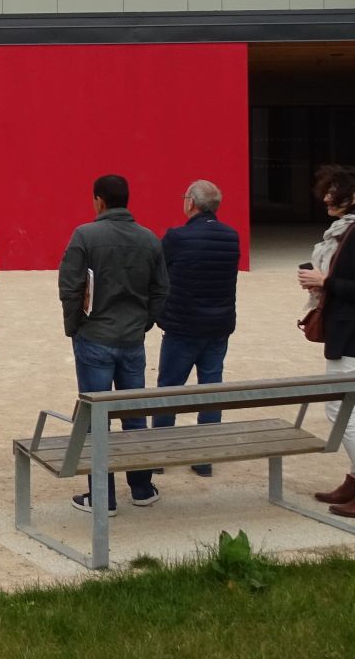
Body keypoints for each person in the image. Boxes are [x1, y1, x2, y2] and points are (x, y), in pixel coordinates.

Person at [57, 174, 168, 515]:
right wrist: (144, 323)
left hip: (95, 336)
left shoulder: (85, 235)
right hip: (132, 338)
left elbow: (70, 286)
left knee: (96, 419)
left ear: (99, 201)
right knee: (133, 415)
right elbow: (161, 290)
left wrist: (74, 327)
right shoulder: (149, 239)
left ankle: (102, 497)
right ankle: (141, 487)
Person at [296, 165, 355, 521]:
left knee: (341, 411)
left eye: (332, 192)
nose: (325, 198)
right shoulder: (349, 230)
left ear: (353, 198)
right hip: (352, 332)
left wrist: (326, 281)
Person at [153, 179, 240, 476]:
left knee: (169, 389)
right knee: (210, 388)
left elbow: (159, 271)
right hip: (218, 325)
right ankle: (204, 457)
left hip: (183, 325)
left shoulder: (177, 237)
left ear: (191, 202)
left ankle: (160, 454)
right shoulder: (231, 236)